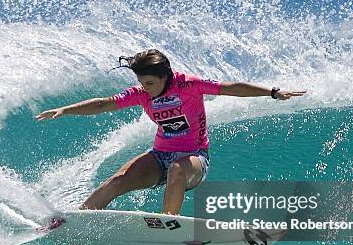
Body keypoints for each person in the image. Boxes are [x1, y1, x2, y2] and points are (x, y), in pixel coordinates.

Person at [36, 49, 306, 215]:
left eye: (150, 82)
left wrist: (272, 92)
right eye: (141, 82)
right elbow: (104, 104)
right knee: (118, 181)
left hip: (194, 159)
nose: (145, 87)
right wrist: (66, 110)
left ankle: (167, 225)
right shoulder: (143, 94)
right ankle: (76, 224)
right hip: (159, 155)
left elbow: (232, 87)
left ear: (166, 76)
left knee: (177, 169)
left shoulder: (189, 85)